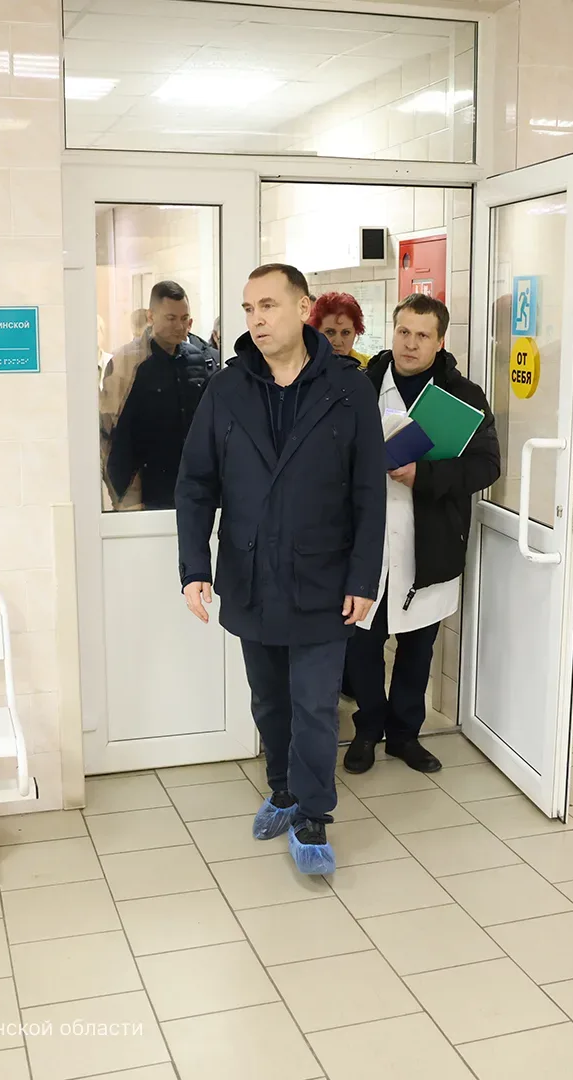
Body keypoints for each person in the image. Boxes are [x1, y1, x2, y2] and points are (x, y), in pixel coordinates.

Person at [177, 263, 385, 875]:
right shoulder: (227, 387)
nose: (257, 319)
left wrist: (363, 578)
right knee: (269, 702)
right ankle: (285, 790)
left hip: (324, 578)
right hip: (250, 575)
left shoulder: (347, 389)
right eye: (249, 308)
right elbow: (196, 483)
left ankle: (314, 814)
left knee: (315, 704)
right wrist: (195, 566)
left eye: (268, 305)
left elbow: (368, 492)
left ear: (302, 307)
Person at [343, 294, 501, 775]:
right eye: (403, 332)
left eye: (422, 335)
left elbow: (487, 465)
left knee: (417, 647)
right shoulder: (360, 385)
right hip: (367, 542)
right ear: (392, 333)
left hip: (428, 542)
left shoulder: (462, 396)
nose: (410, 344)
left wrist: (424, 475)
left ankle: (405, 735)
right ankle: (368, 729)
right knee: (362, 643)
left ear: (440, 341)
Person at [100, 282, 218, 509]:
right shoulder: (128, 362)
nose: (179, 326)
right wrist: (124, 497)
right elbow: (111, 436)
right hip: (144, 490)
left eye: (185, 319)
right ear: (151, 316)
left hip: (192, 483)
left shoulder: (197, 360)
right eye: (171, 318)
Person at [309, 291, 372, 368]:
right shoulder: (303, 367)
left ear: (355, 333)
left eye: (346, 332)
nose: (338, 343)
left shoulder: (370, 367)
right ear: (316, 332)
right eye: (330, 332)